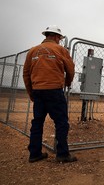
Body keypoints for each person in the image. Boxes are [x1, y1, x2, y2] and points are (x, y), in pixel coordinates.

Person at [23, 25, 77, 163]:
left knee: (37, 122)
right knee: (61, 122)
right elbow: (70, 69)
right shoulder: (60, 50)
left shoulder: (32, 51)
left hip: (38, 91)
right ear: (55, 36)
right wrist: (67, 83)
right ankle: (62, 154)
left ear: (46, 35)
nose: (60, 40)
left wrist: (31, 93)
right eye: (59, 37)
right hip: (54, 91)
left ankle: (34, 153)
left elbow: (26, 74)